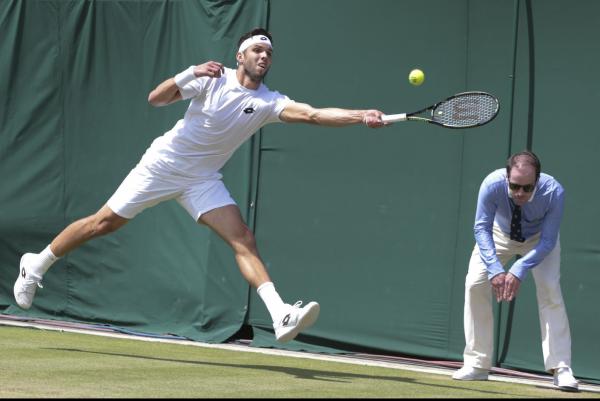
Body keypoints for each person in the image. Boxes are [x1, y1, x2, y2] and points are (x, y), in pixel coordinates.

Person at [13, 27, 387, 343]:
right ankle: (37, 264)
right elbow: (155, 99)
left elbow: (314, 115)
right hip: (162, 166)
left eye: (269, 52)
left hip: (202, 179)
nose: (264, 56)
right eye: (257, 49)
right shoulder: (213, 78)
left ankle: (280, 314)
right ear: (240, 55)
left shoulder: (271, 102)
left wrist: (361, 116)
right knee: (103, 224)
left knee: (242, 238)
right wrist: (188, 73)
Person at [452, 151, 578, 391]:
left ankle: (561, 368)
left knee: (550, 289)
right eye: (515, 186)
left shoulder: (553, 192)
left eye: (528, 187)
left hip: (539, 240)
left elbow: (549, 241)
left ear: (538, 180)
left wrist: (518, 268)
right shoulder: (491, 184)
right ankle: (477, 364)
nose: (520, 193)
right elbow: (481, 228)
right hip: (498, 236)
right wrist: (495, 268)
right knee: (475, 284)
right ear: (507, 177)